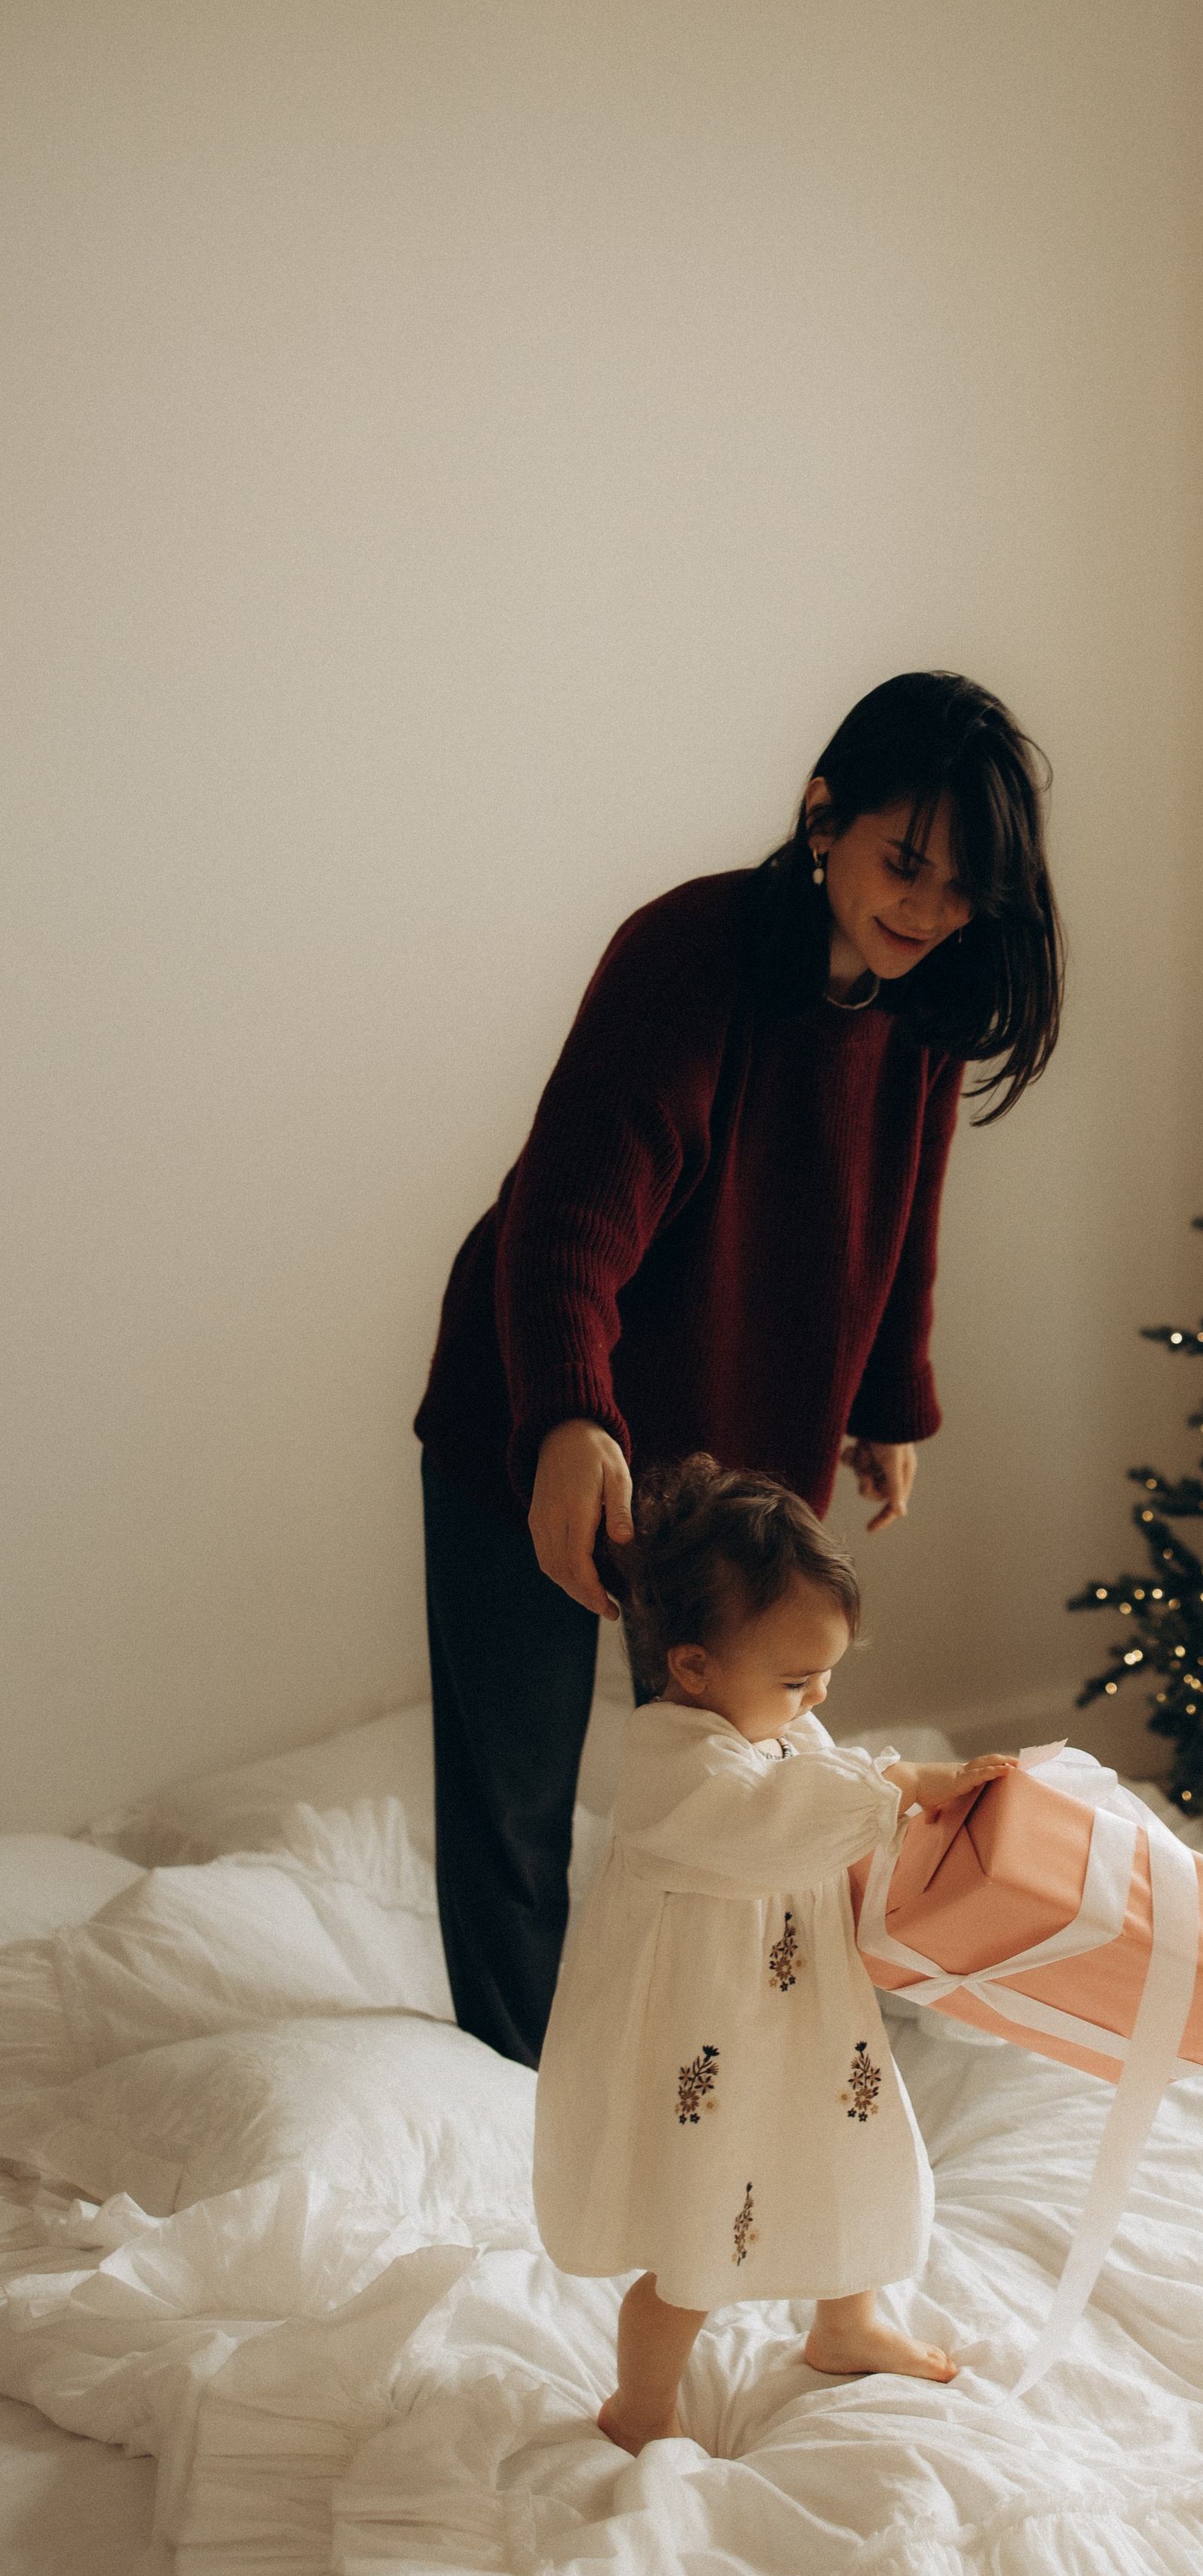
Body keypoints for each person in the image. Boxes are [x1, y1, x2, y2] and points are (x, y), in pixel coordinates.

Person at [414, 673, 1061, 2065]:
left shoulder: (922, 1000)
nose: (928, 911)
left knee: (737, 1780)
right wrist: (569, 1419)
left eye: (962, 892)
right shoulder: (688, 952)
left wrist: (891, 1400)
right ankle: (514, 2086)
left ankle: (708, 2049)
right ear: (824, 813)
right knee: (515, 1801)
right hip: (526, 1398)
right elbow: (568, 1217)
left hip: (722, 1451)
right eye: (906, 864)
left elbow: (904, 1202)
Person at [534, 1454, 1015, 2449]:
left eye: (827, 1676)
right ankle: (642, 2404)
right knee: (705, 2213)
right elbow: (771, 1821)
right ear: (693, 1666)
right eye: (795, 1680)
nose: (813, 1699)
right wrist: (904, 1784)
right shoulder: (675, 1762)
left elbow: (822, 1795)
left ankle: (848, 2323)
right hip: (707, 2040)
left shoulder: (784, 1730)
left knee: (844, 2148)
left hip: (802, 2013)